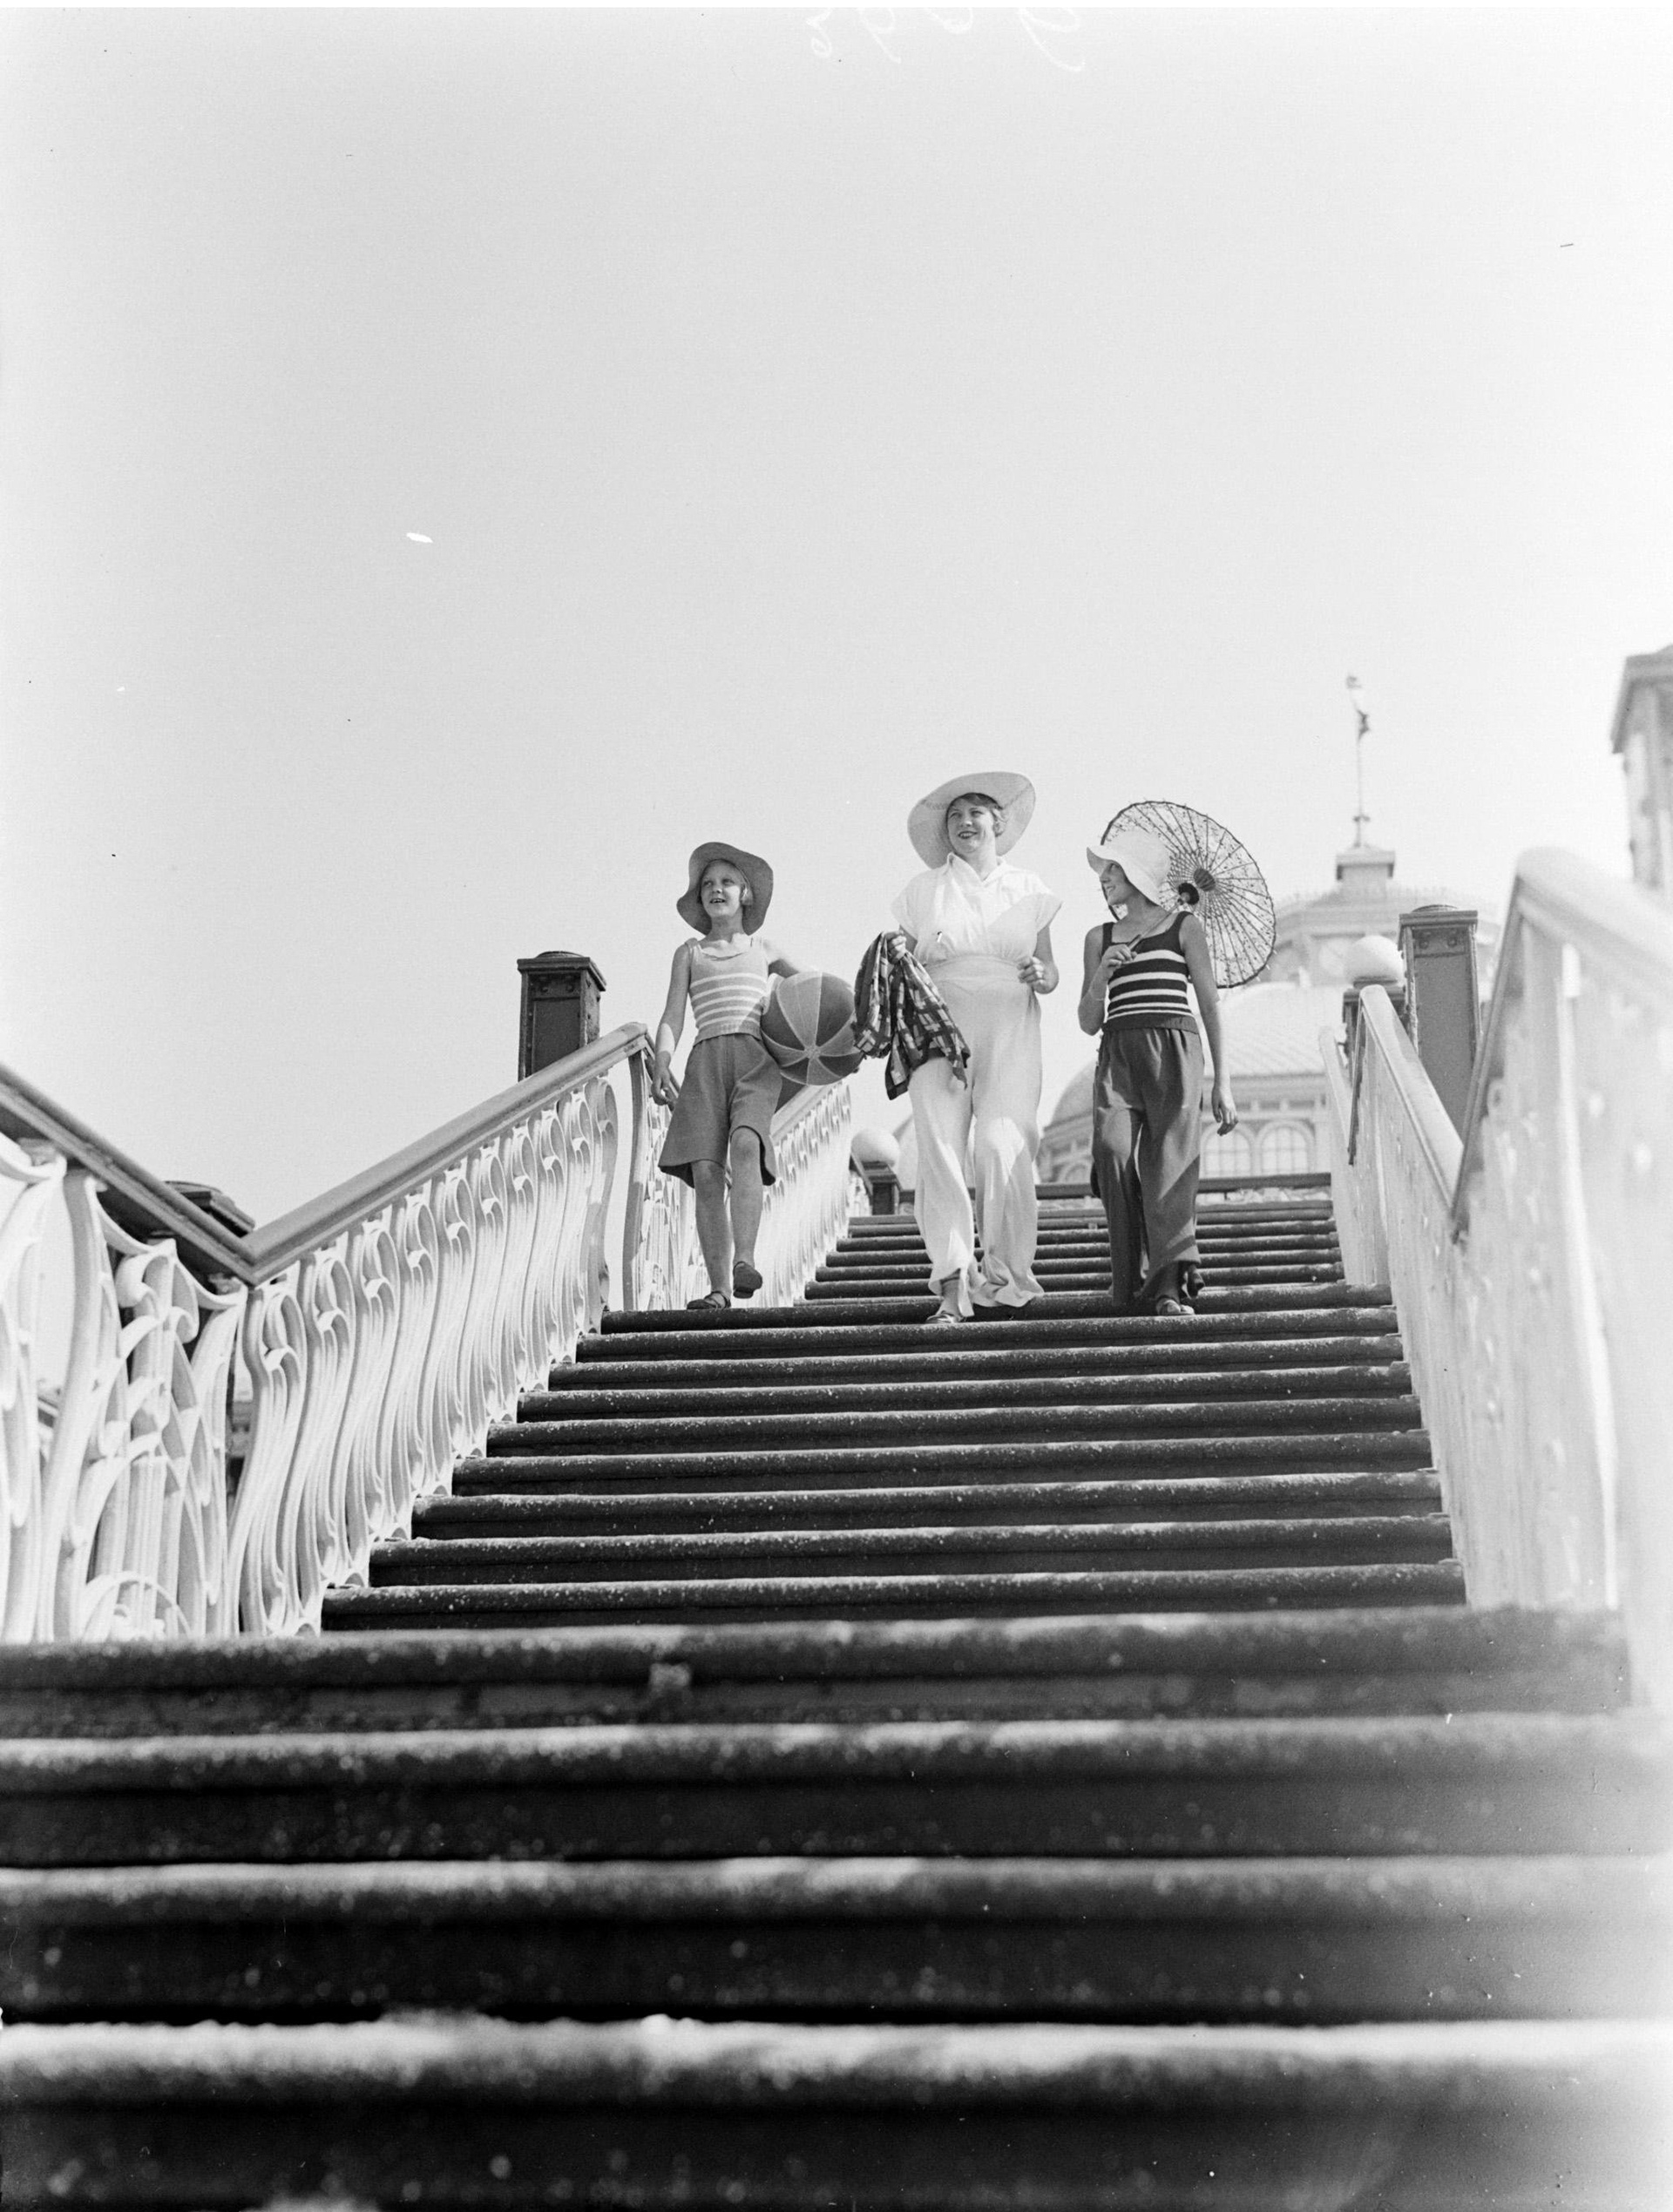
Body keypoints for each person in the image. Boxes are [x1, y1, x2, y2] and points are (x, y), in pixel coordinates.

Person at [891, 774, 1060, 1324]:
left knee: (1000, 1143)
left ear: (999, 822)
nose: (965, 822)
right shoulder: (923, 890)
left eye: (976, 812)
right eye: (955, 815)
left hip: (1010, 1025)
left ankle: (1008, 1278)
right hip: (937, 1027)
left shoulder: (1029, 888)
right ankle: (951, 1285)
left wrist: (1042, 974)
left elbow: (1050, 969)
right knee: (940, 1149)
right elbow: (899, 963)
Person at [1076, 826, 1238, 1315]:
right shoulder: (1098, 937)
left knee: (1169, 1166)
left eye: (1113, 868)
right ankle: (1130, 1279)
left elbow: (1209, 1004)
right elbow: (1087, 1022)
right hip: (1119, 1054)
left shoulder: (1184, 927)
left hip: (1175, 1050)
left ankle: (1167, 1286)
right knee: (1111, 1153)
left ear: (1138, 874)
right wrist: (1103, 975)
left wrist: (1223, 1082)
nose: (1104, 877)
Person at [654, 842, 800, 1309]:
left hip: (754, 1060)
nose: (717, 890)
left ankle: (745, 1259)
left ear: (746, 894)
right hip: (705, 1062)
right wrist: (662, 1057)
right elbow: (673, 1014)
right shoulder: (689, 953)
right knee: (706, 1171)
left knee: (746, 1143)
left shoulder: (765, 948)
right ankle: (718, 1289)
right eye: (708, 884)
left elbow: (812, 991)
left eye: (727, 882)